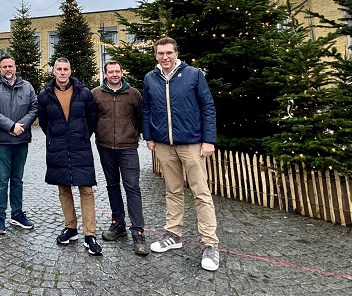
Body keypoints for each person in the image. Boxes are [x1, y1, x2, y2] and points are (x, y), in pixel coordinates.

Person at [141, 37, 220, 271]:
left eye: (169, 53)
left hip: (192, 143)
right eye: (160, 53)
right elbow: (147, 109)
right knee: (172, 191)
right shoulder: (150, 78)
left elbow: (208, 106)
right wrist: (149, 137)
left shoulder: (193, 75)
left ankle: (210, 243)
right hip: (164, 144)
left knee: (200, 192)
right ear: (155, 55)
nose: (164, 57)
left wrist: (209, 140)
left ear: (176, 53)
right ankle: (173, 234)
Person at [37, 58, 102, 256]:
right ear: (54, 72)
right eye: (59, 69)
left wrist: (81, 135)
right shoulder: (45, 95)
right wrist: (56, 137)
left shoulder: (84, 93)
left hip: (80, 146)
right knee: (63, 188)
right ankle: (70, 227)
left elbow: (92, 119)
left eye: (66, 69)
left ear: (70, 71)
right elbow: (44, 122)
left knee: (86, 189)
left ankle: (90, 234)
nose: (63, 72)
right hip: (57, 147)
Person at [92, 60, 148, 256]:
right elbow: (92, 118)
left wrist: (134, 135)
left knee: (132, 187)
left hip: (128, 148)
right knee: (112, 185)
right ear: (105, 74)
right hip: (105, 146)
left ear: (122, 73)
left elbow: (141, 118)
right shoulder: (96, 94)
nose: (114, 74)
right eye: (111, 72)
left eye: (117, 71)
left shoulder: (133, 94)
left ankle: (138, 232)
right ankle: (118, 223)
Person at [0, 55, 39, 235]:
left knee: (17, 179)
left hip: (21, 140)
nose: (8, 69)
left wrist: (20, 126)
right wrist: (11, 126)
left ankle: (17, 213)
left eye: (10, 66)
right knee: (1, 180)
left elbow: (34, 108)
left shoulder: (27, 86)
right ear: (0, 69)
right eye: (4, 67)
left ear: (15, 68)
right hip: (2, 141)